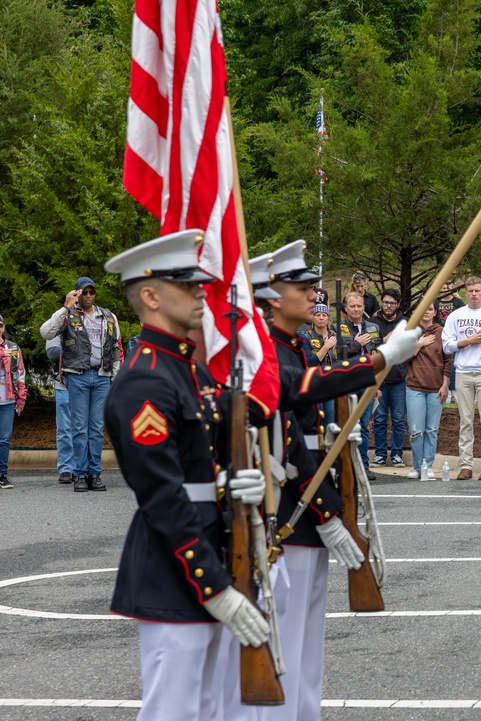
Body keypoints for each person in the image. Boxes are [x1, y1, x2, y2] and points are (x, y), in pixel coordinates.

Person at [102, 230, 271, 721]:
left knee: (213, 710)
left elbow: (203, 462)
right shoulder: (145, 380)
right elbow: (162, 496)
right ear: (151, 296)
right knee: (175, 711)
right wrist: (213, 585)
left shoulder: (186, 371)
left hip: (214, 554)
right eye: (189, 285)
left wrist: (233, 483)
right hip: (177, 571)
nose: (202, 293)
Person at [249, 239, 420, 721]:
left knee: (307, 645)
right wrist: (380, 359)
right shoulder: (266, 350)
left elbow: (302, 405)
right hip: (288, 510)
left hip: (306, 500)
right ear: (273, 297)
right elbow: (301, 391)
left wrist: (326, 436)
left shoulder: (295, 344)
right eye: (302, 288)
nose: (314, 296)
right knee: (286, 642)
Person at [40, 276, 122, 493]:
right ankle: (80, 474)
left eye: (91, 292)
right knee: (78, 428)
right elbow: (46, 332)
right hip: (77, 376)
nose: (88, 296)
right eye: (83, 292)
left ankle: (94, 473)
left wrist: (116, 379)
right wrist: (66, 306)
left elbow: (115, 349)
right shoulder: (68, 316)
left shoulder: (107, 316)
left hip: (101, 377)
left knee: (96, 428)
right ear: (76, 293)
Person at [442, 276, 481, 480]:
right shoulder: (455, 316)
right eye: (470, 291)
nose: (474, 294)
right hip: (462, 372)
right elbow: (446, 345)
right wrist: (467, 341)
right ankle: (466, 465)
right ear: (465, 292)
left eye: (478, 290)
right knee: (466, 420)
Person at [405, 305, 452, 479]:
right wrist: (419, 344)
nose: (426, 311)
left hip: (436, 389)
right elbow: (403, 357)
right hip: (414, 388)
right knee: (416, 430)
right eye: (423, 308)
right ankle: (417, 467)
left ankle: (428, 465)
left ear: (435, 312)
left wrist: (445, 384)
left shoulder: (442, 332)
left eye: (430, 308)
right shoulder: (410, 331)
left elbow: (448, 359)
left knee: (432, 429)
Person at [339, 290, 383, 471]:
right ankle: (347, 467)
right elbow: (337, 357)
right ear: (345, 308)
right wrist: (356, 345)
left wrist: (378, 383)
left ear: (364, 307)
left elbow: (379, 355)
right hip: (347, 383)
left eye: (359, 306)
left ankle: (364, 467)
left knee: (364, 427)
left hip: (368, 383)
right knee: (347, 427)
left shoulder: (373, 328)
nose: (356, 309)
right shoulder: (337, 328)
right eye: (352, 306)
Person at [371, 289, 408, 468]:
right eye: (385, 302)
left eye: (392, 303)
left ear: (398, 305)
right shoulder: (371, 323)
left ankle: (397, 454)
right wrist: (386, 339)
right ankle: (379, 454)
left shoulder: (405, 323)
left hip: (398, 378)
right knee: (379, 419)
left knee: (399, 419)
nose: (388, 306)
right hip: (378, 379)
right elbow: (371, 347)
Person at [301, 303, 337, 430]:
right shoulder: (306, 337)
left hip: (332, 383)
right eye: (317, 315)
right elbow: (310, 362)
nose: (321, 318)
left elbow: (342, 360)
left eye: (324, 315)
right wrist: (325, 347)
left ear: (328, 318)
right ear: (312, 318)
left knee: (330, 420)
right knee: (317, 419)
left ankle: (330, 449)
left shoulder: (336, 336)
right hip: (315, 383)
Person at [0, 315, 26, 490]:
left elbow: (20, 372)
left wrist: (21, 397)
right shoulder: (5, 350)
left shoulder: (13, 348)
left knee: (4, 439)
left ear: (3, 327)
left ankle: (2, 475)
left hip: (8, 398)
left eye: (0, 325)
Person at [45, 336, 74, 484]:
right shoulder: (58, 324)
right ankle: (66, 468)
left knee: (85, 427)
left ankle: (82, 467)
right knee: (64, 429)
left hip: (86, 385)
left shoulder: (91, 321)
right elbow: (53, 353)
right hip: (62, 384)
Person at [434, 280, 465, 404]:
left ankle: (453, 393)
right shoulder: (436, 301)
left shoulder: (457, 302)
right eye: (443, 286)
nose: (445, 288)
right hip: (439, 335)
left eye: (448, 286)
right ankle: (440, 387)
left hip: (454, 337)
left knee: (452, 363)